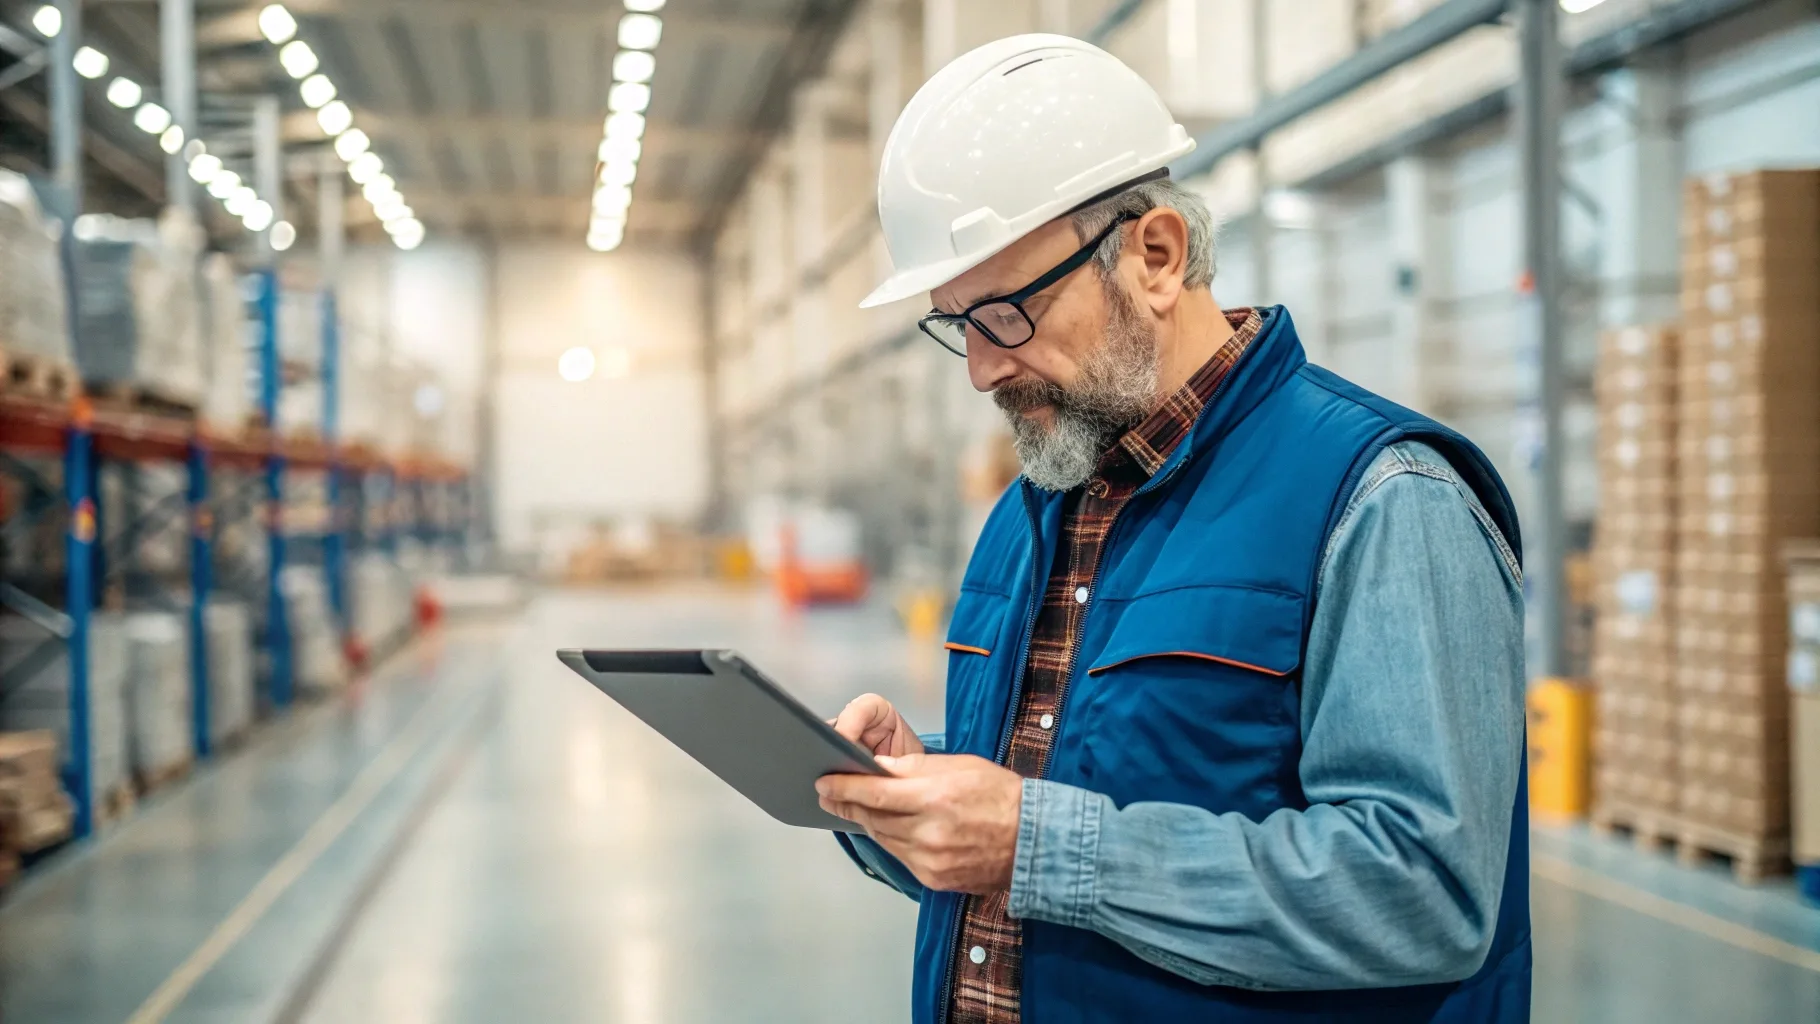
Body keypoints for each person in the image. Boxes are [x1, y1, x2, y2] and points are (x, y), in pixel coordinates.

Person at [814, 34, 1530, 1024]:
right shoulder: (1039, 506)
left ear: (1155, 254)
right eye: (956, 324)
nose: (980, 368)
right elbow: (1101, 775)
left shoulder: (1381, 499)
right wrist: (916, 792)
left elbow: (1420, 892)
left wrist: (1030, 844)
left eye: (1005, 313)